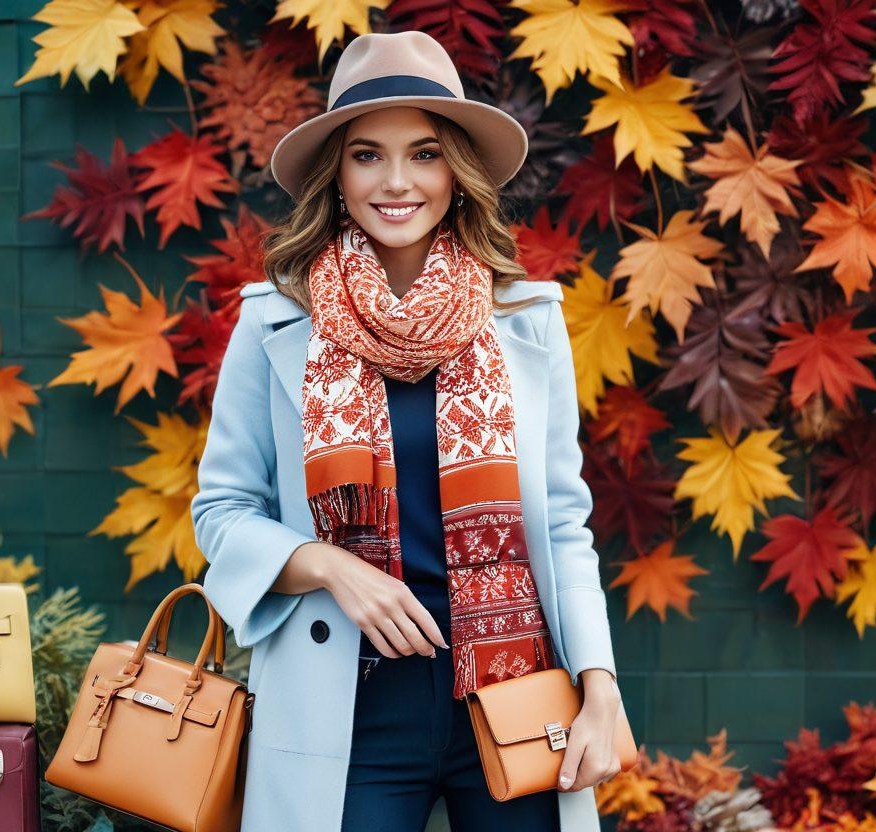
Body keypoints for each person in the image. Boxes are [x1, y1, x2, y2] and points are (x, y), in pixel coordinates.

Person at [191, 30, 622, 832]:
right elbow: (220, 513)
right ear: (339, 176)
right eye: (367, 156)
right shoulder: (277, 323)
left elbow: (563, 525)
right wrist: (326, 566)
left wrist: (599, 682)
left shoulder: (527, 323)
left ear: (456, 172)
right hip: (344, 703)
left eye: (424, 154)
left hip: (512, 689)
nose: (396, 181)